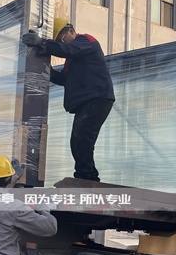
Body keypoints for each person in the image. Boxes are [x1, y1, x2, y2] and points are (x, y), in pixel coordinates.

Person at [22, 19, 115, 182]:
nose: (61, 44)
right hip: (89, 100)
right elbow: (65, 79)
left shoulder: (87, 40)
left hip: (97, 98)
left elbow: (69, 49)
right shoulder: (73, 59)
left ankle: (86, 177)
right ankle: (87, 176)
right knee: (78, 140)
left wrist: (42, 43)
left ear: (71, 31)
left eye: (62, 40)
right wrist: (46, 70)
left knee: (82, 137)